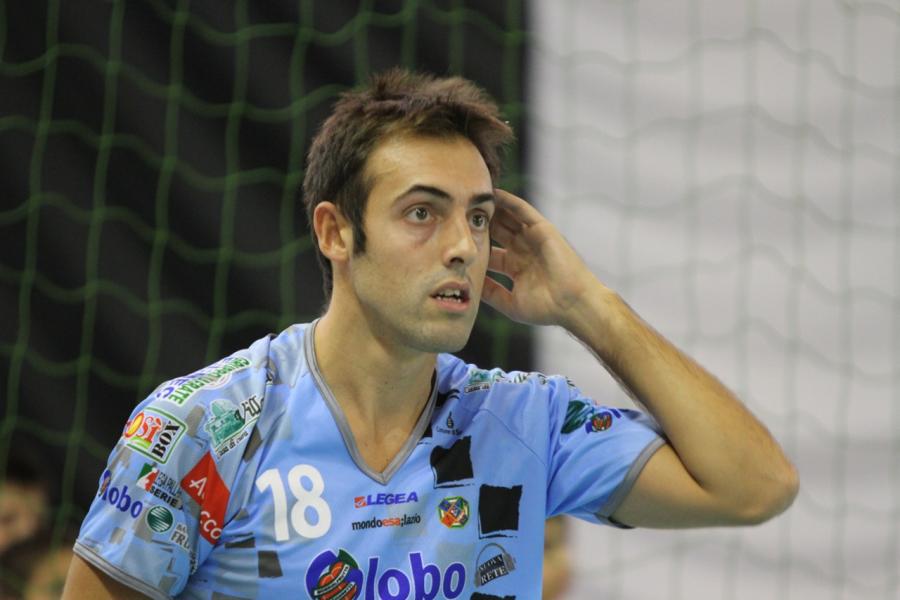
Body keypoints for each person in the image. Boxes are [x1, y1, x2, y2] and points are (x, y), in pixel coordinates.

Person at [62, 68, 798, 599]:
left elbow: (756, 488)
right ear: (336, 232)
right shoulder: (204, 427)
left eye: (478, 216)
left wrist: (588, 305)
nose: (463, 247)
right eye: (423, 212)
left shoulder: (523, 422)